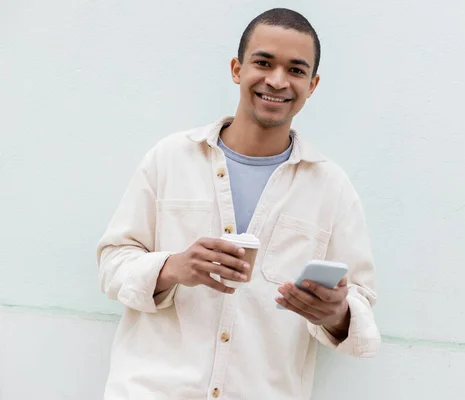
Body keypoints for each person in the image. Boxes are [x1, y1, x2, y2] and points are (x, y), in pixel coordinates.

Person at [96, 7, 380, 400]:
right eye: (263, 63)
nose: (277, 81)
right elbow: (112, 262)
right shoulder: (170, 159)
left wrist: (337, 313)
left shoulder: (331, 188)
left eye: (296, 70)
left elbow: (361, 302)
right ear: (237, 69)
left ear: (312, 85)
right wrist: (173, 266)